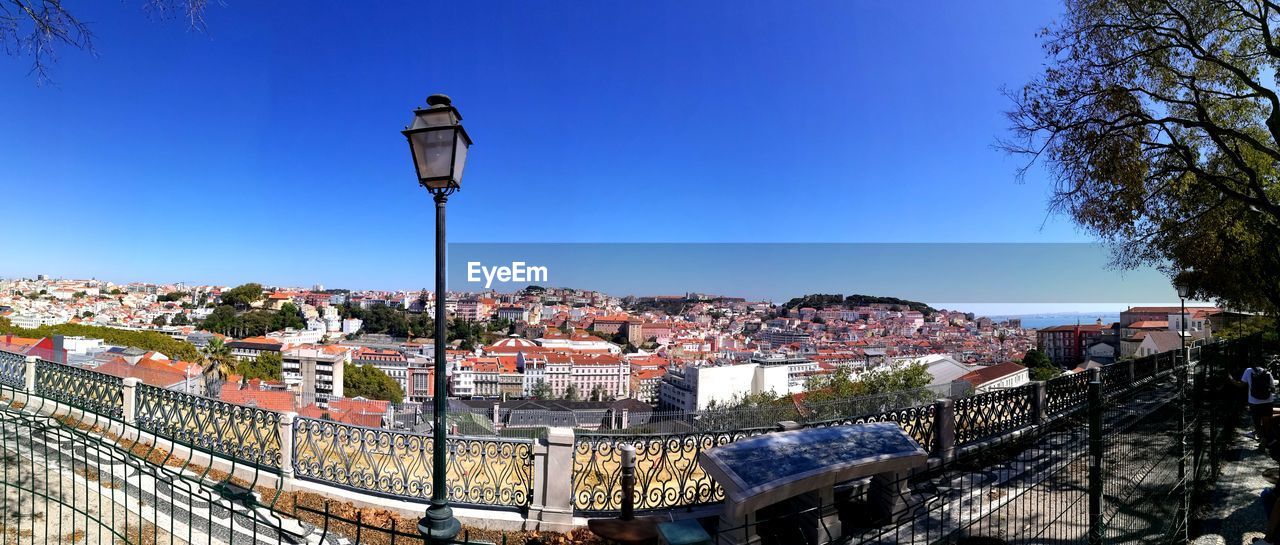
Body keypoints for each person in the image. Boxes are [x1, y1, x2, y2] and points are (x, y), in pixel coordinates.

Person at [1244, 365, 1275, 443]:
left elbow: (1241, 384)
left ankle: (1261, 438)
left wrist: (1230, 379)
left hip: (1254, 402)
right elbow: (1273, 389)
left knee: (1256, 422)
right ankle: (1267, 438)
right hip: (1268, 401)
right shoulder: (1267, 372)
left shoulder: (1248, 370)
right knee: (1266, 421)